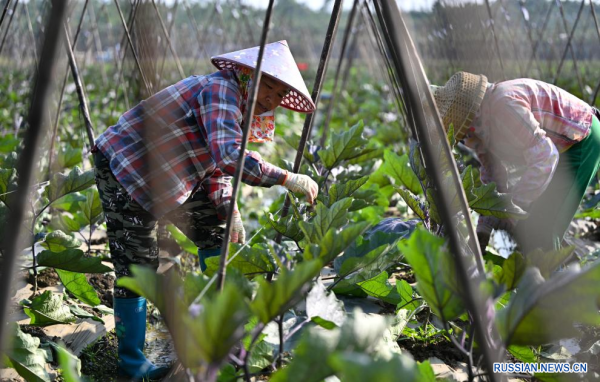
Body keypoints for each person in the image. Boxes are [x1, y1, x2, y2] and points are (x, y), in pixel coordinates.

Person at [92, 40, 319, 380]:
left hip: (171, 170)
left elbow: (215, 168)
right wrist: (284, 177)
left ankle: (221, 339)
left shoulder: (240, 107)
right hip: (128, 167)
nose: (270, 100)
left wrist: (231, 211)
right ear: (246, 75)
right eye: (267, 87)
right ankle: (132, 364)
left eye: (278, 95)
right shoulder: (220, 90)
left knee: (218, 234)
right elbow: (228, 154)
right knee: (137, 266)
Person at [431, 72, 600, 255]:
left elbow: (546, 156)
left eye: (463, 132)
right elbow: (493, 175)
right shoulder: (479, 127)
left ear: (470, 115)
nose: (465, 139)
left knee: (543, 229)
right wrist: (484, 227)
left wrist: (513, 207)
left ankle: (562, 279)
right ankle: (565, 270)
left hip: (581, 139)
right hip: (561, 148)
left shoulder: (503, 105)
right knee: (531, 228)